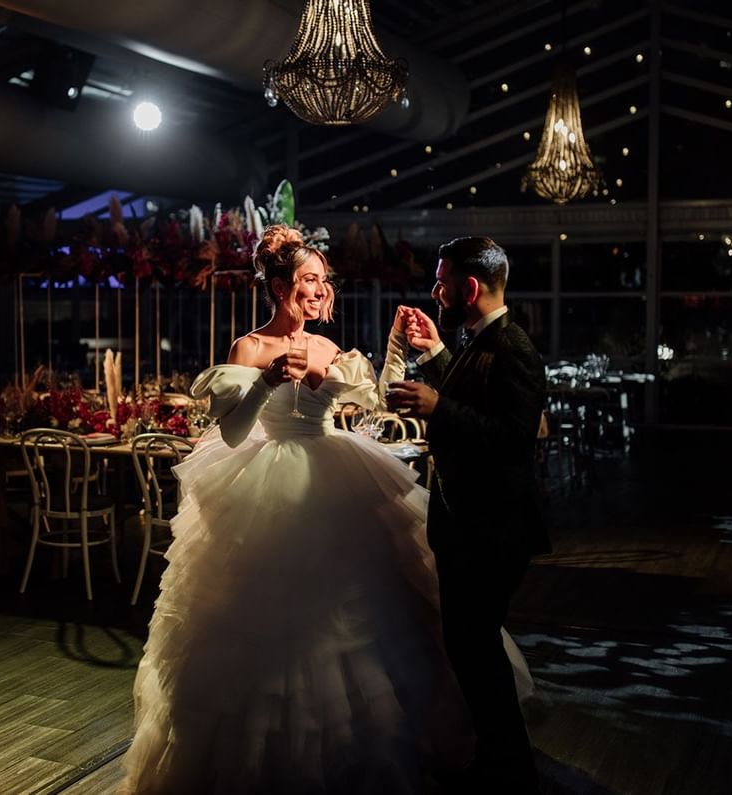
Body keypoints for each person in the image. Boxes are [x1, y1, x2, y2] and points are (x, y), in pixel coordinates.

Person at [120, 226, 493, 794]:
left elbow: (372, 405)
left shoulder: (329, 349)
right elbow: (233, 430)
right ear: (277, 285)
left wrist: (395, 349)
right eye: (308, 280)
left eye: (323, 281)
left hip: (332, 471)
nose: (319, 291)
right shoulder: (249, 347)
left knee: (357, 610)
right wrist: (268, 380)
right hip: (266, 479)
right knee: (265, 615)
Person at [386, 236, 549, 793]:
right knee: (471, 650)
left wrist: (437, 407)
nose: (436, 291)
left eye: (442, 281)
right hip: (471, 527)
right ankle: (501, 761)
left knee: (477, 654)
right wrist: (435, 356)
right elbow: (475, 391)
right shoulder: (485, 340)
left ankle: (509, 770)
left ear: (469, 288)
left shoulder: (516, 349)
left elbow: (512, 437)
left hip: (494, 531)